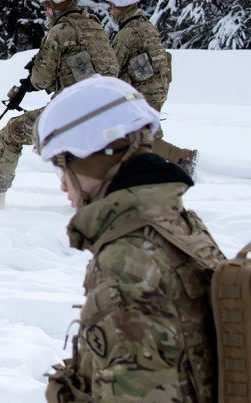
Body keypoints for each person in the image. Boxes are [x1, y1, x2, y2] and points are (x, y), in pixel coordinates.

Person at [35, 75, 222, 403]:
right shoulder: (179, 224)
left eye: (63, 167)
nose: (63, 185)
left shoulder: (127, 261)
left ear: (97, 157)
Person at [0, 0, 117, 209]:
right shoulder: (94, 25)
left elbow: (41, 79)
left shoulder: (61, 31)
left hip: (75, 109)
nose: (46, 11)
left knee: (11, 132)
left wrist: (36, 78)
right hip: (106, 106)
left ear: (59, 2)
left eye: (47, 6)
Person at [105, 0, 197, 175]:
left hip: (142, 94)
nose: (110, 11)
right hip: (155, 90)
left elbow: (113, 66)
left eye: (112, 6)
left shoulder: (127, 33)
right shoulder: (145, 25)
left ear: (119, 5)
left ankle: (183, 157)